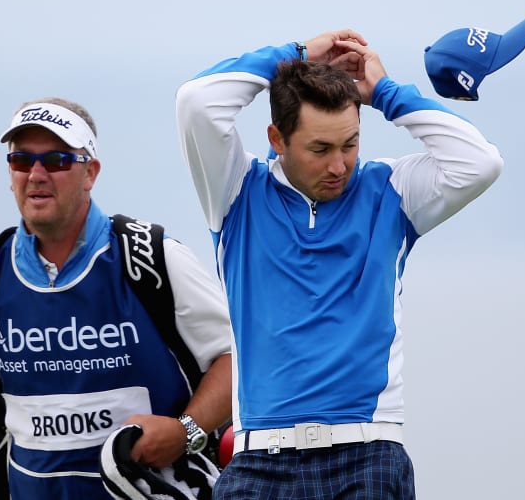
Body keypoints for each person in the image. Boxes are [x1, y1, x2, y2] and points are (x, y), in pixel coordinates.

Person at [175, 30, 504, 499]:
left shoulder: (391, 189)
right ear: (278, 139)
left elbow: (480, 163)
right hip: (259, 464)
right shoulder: (235, 191)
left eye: (349, 144)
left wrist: (387, 94)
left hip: (367, 457)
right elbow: (196, 101)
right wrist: (294, 54)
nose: (339, 166)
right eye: (320, 149)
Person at [0, 97, 233, 499]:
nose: (37, 174)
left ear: (90, 172)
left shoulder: (150, 256)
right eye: (22, 161)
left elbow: (237, 359)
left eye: (58, 160)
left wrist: (186, 432)